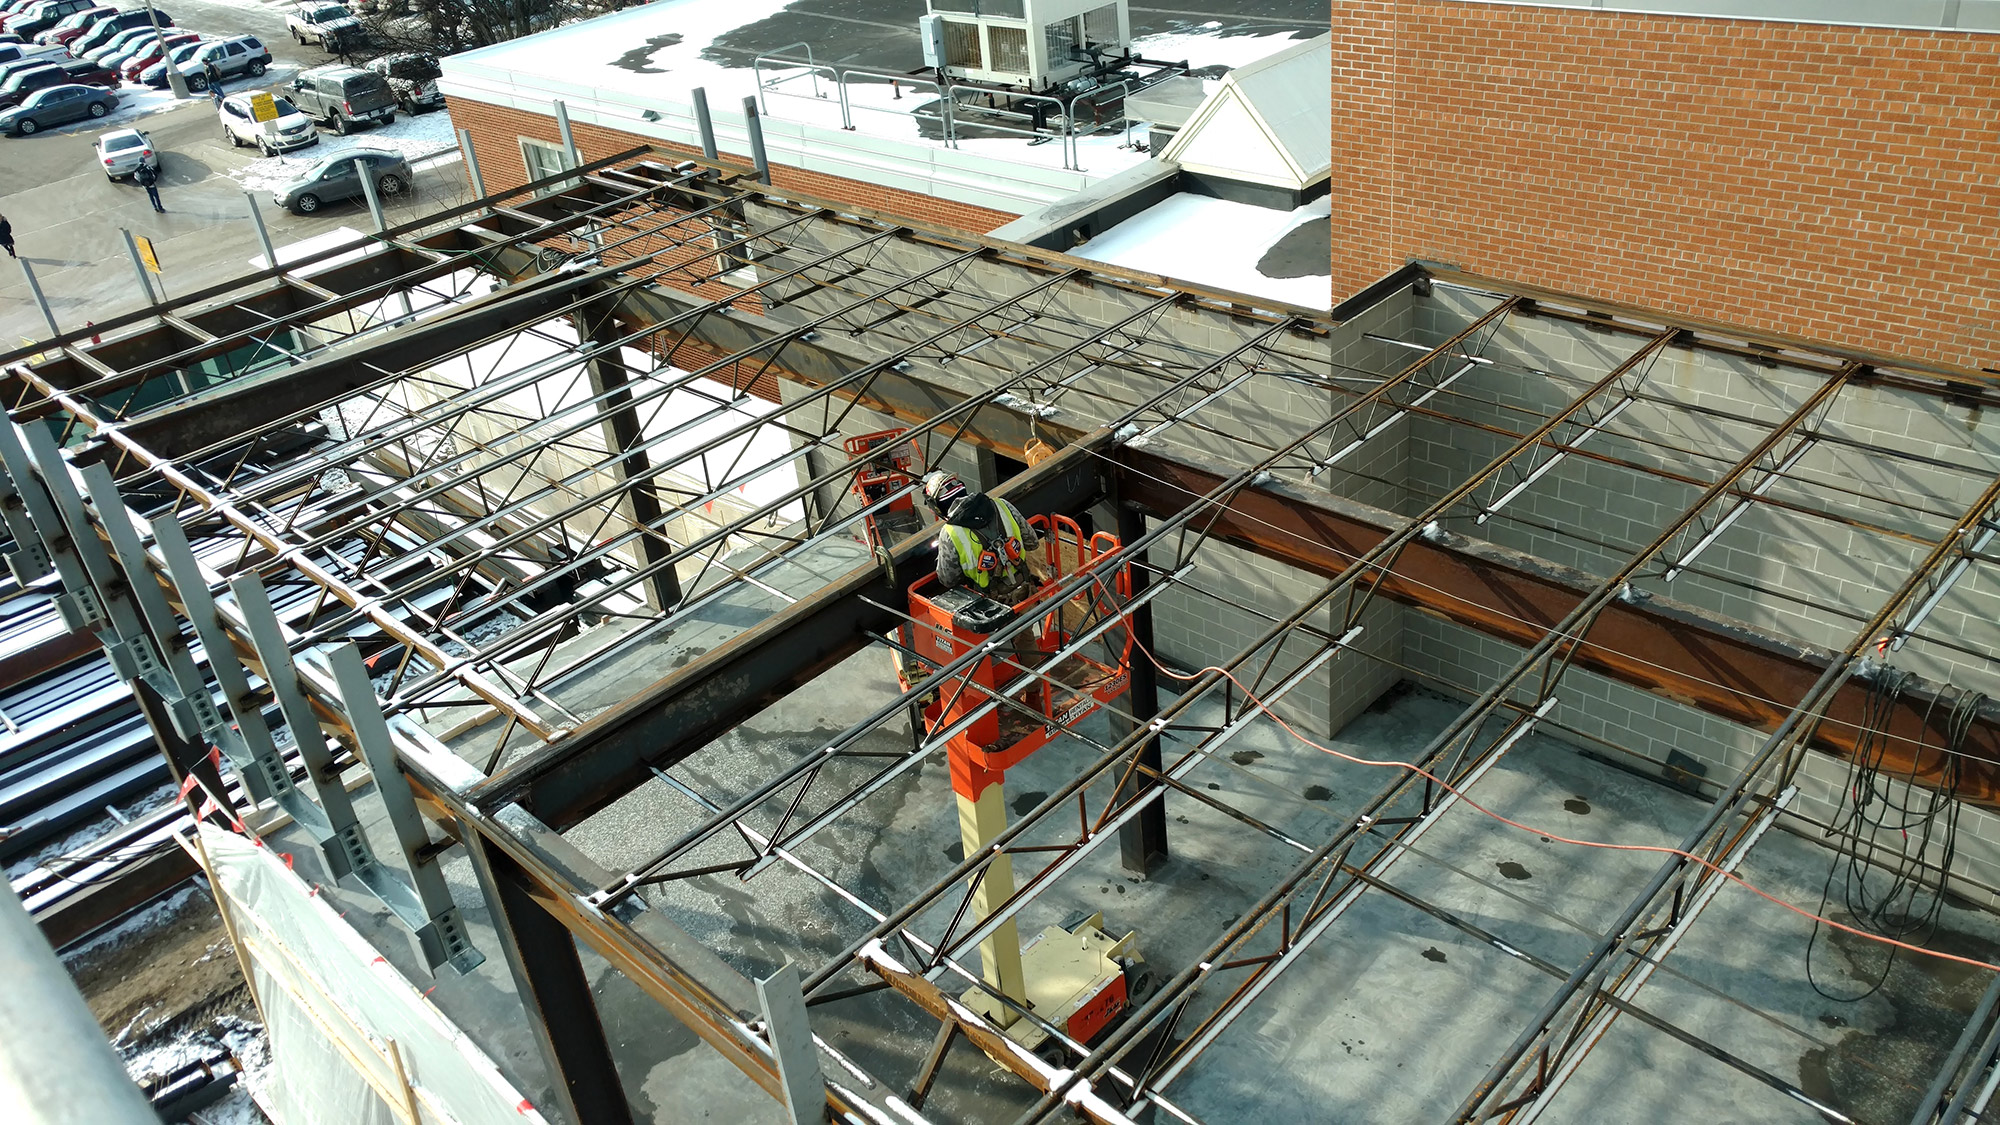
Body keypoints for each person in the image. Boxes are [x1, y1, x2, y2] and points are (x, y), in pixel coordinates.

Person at [922, 471, 1043, 604]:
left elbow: (948, 580)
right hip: (1027, 596)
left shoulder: (950, 532)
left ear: (938, 507)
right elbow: (1032, 542)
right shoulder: (1002, 505)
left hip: (992, 609)